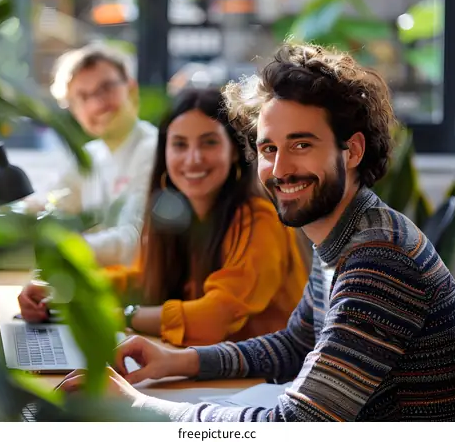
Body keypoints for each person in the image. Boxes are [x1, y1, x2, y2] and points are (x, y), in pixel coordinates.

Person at [56, 44, 455, 422]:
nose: (280, 169)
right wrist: (179, 359)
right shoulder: (343, 236)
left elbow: (299, 421)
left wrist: (140, 407)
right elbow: (295, 344)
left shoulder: (379, 257)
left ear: (353, 150)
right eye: (269, 149)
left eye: (302, 145)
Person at [22, 87, 307, 346]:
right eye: (180, 145)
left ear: (234, 151)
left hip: (260, 383)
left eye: (209, 143)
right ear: (165, 152)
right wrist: (62, 292)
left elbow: (215, 318)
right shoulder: (172, 213)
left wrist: (122, 315)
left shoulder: (261, 220)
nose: (193, 158)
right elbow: (141, 280)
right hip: (204, 370)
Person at [24, 43, 158, 267]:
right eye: (83, 97)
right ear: (74, 111)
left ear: (132, 90)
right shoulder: (89, 157)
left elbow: (135, 241)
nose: (97, 103)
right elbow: (52, 203)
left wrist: (63, 247)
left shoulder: (155, 149)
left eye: (106, 88)